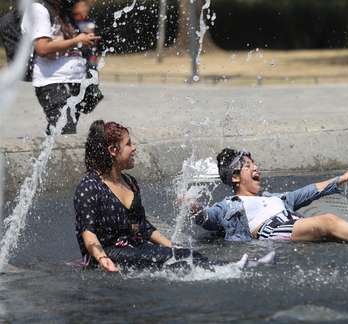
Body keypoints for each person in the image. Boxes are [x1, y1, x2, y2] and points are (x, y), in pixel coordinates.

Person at [74, 121, 269, 272]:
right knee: (169, 258)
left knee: (184, 253)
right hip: (109, 253)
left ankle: (235, 265)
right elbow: (88, 233)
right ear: (113, 150)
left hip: (136, 249)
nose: (134, 148)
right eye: (128, 144)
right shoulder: (90, 186)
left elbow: (143, 226)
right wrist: (103, 259)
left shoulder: (130, 182)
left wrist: (172, 245)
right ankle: (230, 268)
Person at [191, 148, 348, 244]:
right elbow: (207, 218)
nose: (256, 167)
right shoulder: (229, 206)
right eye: (248, 166)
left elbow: (310, 190)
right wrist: (192, 205)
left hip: (291, 224)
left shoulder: (276, 198)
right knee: (328, 221)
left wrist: (345, 177)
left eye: (254, 164)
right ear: (235, 177)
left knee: (333, 229)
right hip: (270, 229)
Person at [21, 0, 101, 135]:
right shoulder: (39, 9)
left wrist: (84, 40)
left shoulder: (62, 10)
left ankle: (47, 152)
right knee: (65, 131)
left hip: (72, 80)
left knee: (62, 130)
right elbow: (42, 48)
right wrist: (76, 41)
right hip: (54, 82)